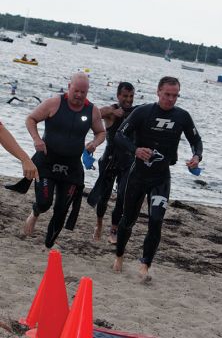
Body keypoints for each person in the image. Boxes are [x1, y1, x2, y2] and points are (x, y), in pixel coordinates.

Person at [113, 76, 203, 281]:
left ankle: (145, 264)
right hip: (138, 176)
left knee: (156, 220)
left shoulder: (182, 116)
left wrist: (196, 157)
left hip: (161, 178)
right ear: (158, 92)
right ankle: (119, 255)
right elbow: (120, 135)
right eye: (167, 94)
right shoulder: (143, 112)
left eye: (175, 95)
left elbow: (196, 140)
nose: (171, 99)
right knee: (128, 220)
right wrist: (135, 149)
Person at [24, 72, 106, 248]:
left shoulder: (92, 110)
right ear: (69, 87)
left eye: (83, 92)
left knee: (62, 209)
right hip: (47, 162)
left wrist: (94, 143)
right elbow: (31, 119)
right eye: (76, 91)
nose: (79, 95)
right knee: (45, 203)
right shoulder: (54, 103)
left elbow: (101, 132)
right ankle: (35, 213)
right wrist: (37, 139)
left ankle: (49, 244)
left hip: (71, 167)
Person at [87, 82, 136, 244]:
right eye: (125, 96)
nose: (128, 100)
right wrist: (112, 111)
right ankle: (99, 223)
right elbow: (93, 115)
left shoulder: (136, 113)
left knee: (122, 196)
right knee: (104, 198)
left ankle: (114, 229)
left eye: (131, 96)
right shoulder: (111, 112)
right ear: (118, 96)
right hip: (109, 160)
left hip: (127, 161)